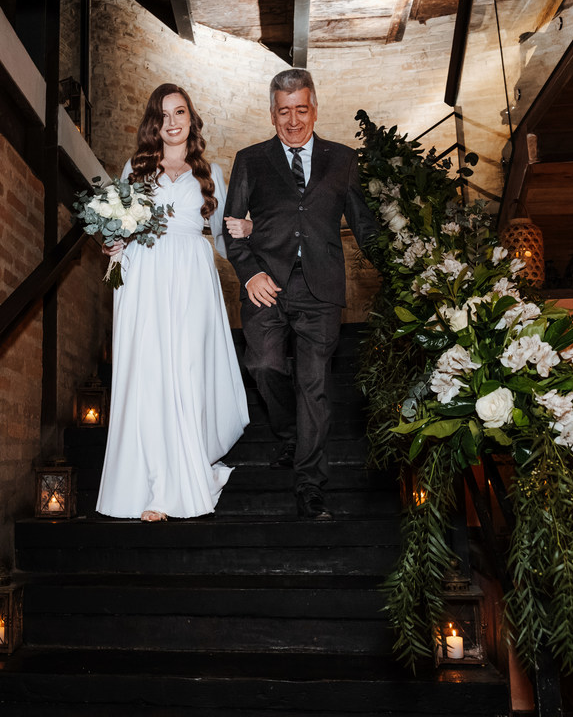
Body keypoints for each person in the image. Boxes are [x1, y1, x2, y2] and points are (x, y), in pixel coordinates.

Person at [223, 69, 378, 521]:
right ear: (272, 113)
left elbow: (365, 227)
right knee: (263, 363)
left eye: (302, 110)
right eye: (284, 111)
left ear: (315, 109)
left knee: (314, 386)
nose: (294, 121)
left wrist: (402, 268)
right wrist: (249, 273)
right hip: (265, 285)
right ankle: (287, 430)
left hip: (321, 289)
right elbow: (232, 230)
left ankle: (310, 484)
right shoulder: (250, 159)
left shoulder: (343, 159)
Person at [96, 83, 250, 522]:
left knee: (185, 369)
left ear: (190, 118)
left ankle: (181, 477)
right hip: (144, 276)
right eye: (163, 115)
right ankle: (154, 485)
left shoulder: (211, 173)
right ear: (153, 123)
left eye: (179, 112)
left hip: (192, 279)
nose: (172, 122)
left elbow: (221, 237)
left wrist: (248, 235)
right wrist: (113, 244)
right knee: (149, 374)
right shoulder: (136, 168)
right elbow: (119, 228)